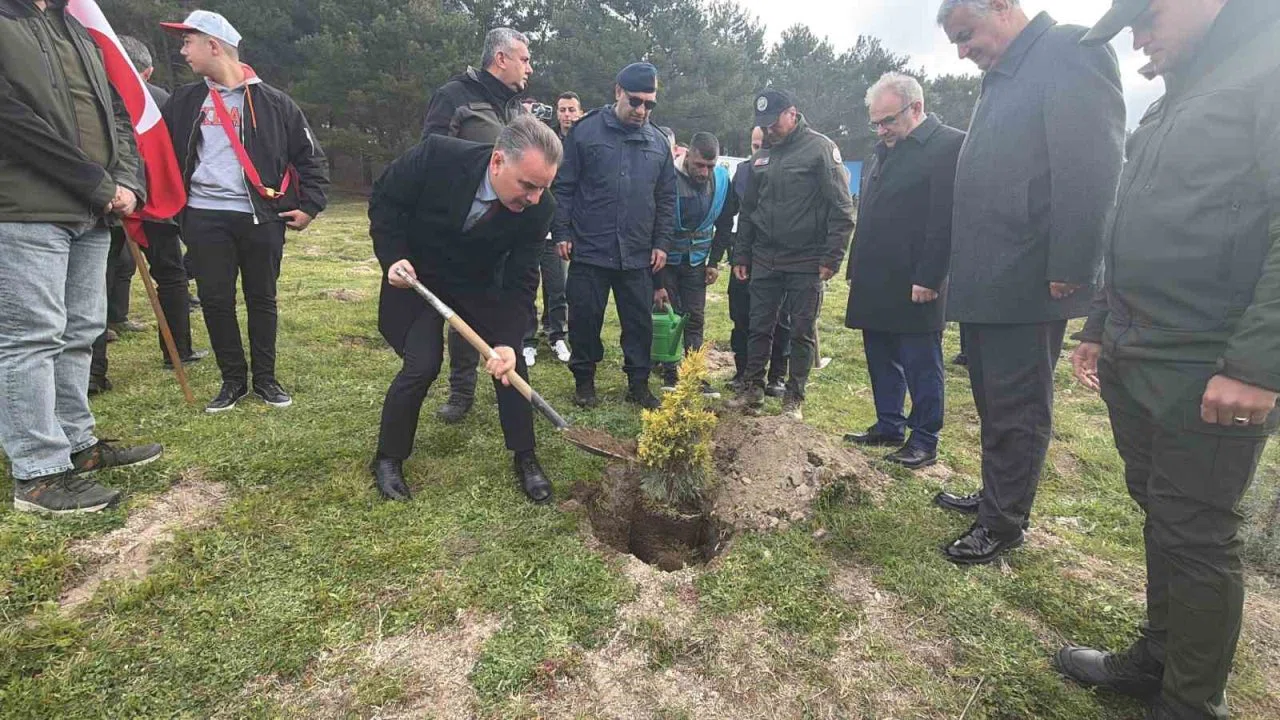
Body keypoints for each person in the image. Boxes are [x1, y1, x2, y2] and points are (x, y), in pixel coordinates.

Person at [1054, 2, 1280, 718]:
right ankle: (1159, 656)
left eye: (1147, 18)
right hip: (1138, 350)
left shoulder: (1269, 66)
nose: (1140, 39)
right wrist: (1098, 326)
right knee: (1162, 514)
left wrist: (1257, 365)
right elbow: (1130, 225)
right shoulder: (1175, 93)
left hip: (1207, 362)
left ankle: (1189, 703)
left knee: (1197, 532)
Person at [931, 0, 1125, 565]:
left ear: (1000, 6)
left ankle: (1004, 522)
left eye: (966, 34)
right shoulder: (1004, 72)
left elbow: (1091, 163)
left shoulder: (1068, 51)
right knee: (993, 398)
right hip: (989, 271)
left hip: (1026, 271)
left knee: (1017, 403)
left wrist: (1072, 262)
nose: (962, 52)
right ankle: (998, 494)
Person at [2, 0, 165, 514]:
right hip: (26, 207)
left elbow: (117, 114)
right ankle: (38, 472)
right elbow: (12, 121)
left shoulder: (76, 28)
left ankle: (78, 444)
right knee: (31, 337)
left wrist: (128, 182)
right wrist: (96, 183)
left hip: (94, 211)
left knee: (81, 332)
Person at [368, 116, 561, 504]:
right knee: (422, 364)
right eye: (527, 185)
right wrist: (393, 257)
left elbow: (522, 277)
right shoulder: (437, 157)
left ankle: (525, 455)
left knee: (508, 362)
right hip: (418, 276)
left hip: (479, 283)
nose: (534, 198)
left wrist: (507, 339)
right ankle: (388, 458)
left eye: (543, 187)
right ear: (497, 162)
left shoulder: (540, 209)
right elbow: (386, 202)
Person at [160, 10, 329, 413]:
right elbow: (159, 154)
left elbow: (310, 158)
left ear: (213, 45)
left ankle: (266, 380)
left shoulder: (275, 103)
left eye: (188, 42)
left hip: (261, 217)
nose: (183, 51)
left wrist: (310, 206)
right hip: (204, 216)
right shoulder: (184, 101)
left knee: (262, 298)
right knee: (215, 300)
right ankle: (232, 381)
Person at [843, 73, 964, 471]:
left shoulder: (948, 146)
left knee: (920, 361)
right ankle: (889, 424)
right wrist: (856, 265)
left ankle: (925, 438)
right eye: (876, 123)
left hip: (915, 279)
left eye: (888, 120)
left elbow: (945, 219)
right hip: (875, 276)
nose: (881, 130)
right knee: (879, 354)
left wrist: (930, 276)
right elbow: (870, 210)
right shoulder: (883, 150)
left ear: (916, 108)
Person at [421, 27, 533, 424]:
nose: (529, 68)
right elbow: (431, 156)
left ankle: (514, 392)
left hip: (507, 225)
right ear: (501, 58)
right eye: (524, 59)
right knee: (461, 310)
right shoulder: (454, 96)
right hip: (464, 225)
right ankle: (461, 391)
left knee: (509, 302)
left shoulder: (518, 110)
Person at [726, 88, 855, 421]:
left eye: (774, 122)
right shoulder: (762, 157)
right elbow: (749, 210)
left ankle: (793, 398)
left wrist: (832, 257)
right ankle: (752, 390)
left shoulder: (820, 150)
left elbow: (842, 208)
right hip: (765, 258)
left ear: (792, 114)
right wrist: (742, 255)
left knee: (800, 330)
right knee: (758, 326)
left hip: (806, 260)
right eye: (763, 124)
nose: (769, 130)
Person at [553, 62, 676, 410]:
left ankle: (638, 385)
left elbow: (667, 198)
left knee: (639, 324)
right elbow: (564, 187)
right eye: (635, 101)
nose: (641, 110)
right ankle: (584, 382)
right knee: (584, 318)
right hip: (590, 246)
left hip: (637, 251)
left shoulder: (658, 142)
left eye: (649, 104)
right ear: (618, 91)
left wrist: (662, 243)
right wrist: (561, 231)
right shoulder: (584, 132)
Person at [89, 35, 207, 395]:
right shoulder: (158, 100)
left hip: (111, 197)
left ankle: (94, 372)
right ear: (147, 70)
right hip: (146, 200)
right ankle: (178, 352)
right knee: (170, 277)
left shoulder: (90, 93)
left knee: (95, 283)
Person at [655, 132, 735, 397]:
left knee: (695, 317)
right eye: (700, 165)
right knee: (670, 316)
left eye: (710, 166)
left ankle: (693, 373)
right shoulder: (667, 176)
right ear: (687, 156)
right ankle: (670, 372)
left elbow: (725, 223)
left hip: (697, 262)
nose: (704, 172)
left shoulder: (721, 180)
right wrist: (656, 279)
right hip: (666, 260)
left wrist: (714, 262)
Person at [715, 126, 790, 396]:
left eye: (764, 145)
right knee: (742, 314)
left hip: (780, 254)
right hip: (745, 251)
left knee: (780, 317)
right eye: (755, 145)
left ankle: (777, 375)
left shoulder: (790, 169)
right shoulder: (744, 171)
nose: (759, 151)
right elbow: (731, 214)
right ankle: (743, 371)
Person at [519, 91, 582, 366]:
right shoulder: (545, 139)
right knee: (528, 285)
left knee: (557, 287)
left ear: (580, 112)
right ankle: (527, 340)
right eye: (562, 110)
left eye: (571, 110)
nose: (567, 115)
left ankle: (557, 335)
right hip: (534, 223)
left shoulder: (582, 141)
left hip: (561, 228)